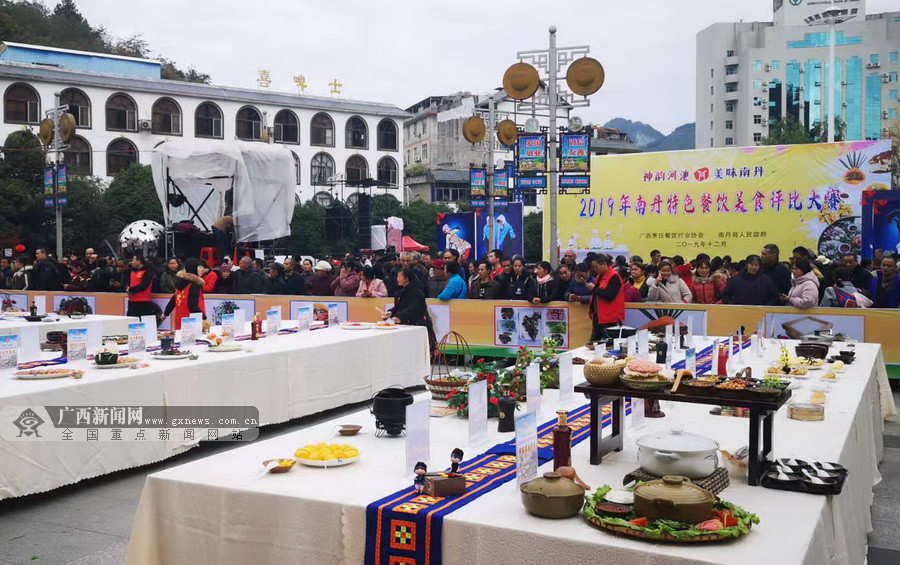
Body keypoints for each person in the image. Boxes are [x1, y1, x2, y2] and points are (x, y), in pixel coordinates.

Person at [384, 267, 436, 351]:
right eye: (397, 277)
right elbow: (399, 306)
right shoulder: (402, 291)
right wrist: (390, 312)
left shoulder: (416, 291)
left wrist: (400, 316)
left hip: (417, 325)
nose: (397, 279)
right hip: (406, 324)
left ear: (407, 279)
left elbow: (414, 308)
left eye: (400, 277)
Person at [577, 255, 624, 342]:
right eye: (593, 267)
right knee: (593, 344)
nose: (595, 269)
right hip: (599, 316)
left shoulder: (614, 277)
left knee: (608, 345)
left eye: (596, 267)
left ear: (604, 264)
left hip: (610, 318)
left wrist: (594, 288)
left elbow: (609, 295)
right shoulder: (599, 276)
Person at [161, 258, 206, 329]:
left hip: (180, 320)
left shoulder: (181, 282)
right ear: (194, 269)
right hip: (192, 321)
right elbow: (192, 305)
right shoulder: (194, 284)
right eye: (200, 267)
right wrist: (204, 318)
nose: (202, 269)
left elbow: (174, 300)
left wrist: (165, 313)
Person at [126, 254, 156, 318]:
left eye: (133, 260)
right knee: (131, 321)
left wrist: (131, 289)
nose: (132, 262)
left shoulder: (148, 271)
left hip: (143, 301)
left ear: (139, 261)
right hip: (132, 300)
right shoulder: (132, 271)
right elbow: (128, 282)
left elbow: (144, 285)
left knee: (144, 322)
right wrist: (127, 288)